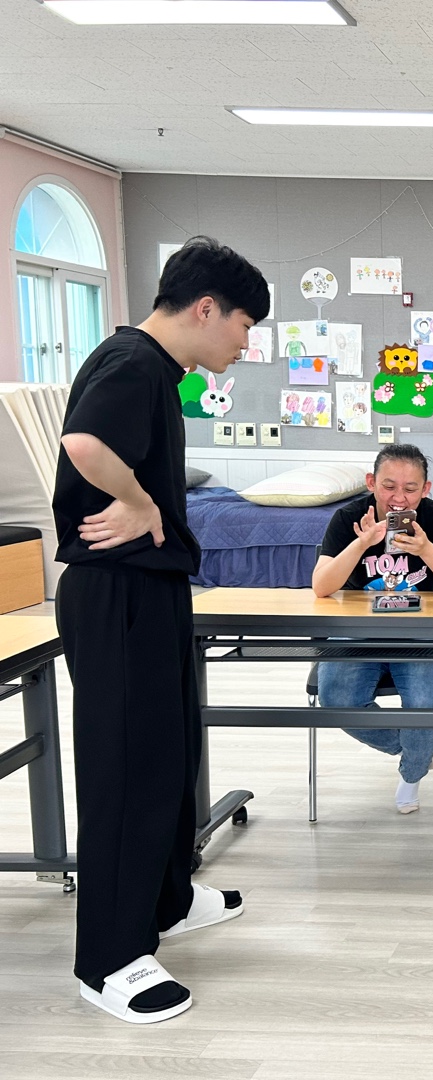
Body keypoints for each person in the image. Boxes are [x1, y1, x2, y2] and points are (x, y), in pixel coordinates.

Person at [53, 236, 268, 1024]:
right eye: (244, 325)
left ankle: (168, 899)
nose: (245, 344)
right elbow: (83, 444)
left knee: (170, 756)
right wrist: (141, 504)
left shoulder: (156, 370)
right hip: (119, 595)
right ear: (206, 309)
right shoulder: (133, 361)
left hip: (154, 591)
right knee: (126, 770)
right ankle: (108, 960)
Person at [312, 444, 433, 813]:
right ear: (371, 482)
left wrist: (426, 549)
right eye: (389, 486)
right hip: (358, 627)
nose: (399, 498)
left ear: (426, 489)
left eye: (411, 489)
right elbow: (321, 586)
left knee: (426, 705)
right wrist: (361, 544)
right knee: (336, 700)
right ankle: (414, 748)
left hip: (424, 629)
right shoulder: (347, 517)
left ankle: (412, 773)